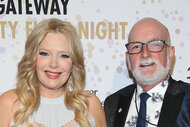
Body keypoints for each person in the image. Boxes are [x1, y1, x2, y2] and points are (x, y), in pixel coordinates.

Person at [0, 18, 106, 127]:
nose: (54, 64)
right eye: (45, 53)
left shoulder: (90, 105)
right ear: (32, 57)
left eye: (63, 55)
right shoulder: (8, 103)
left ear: (73, 61)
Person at [104, 17, 190, 127]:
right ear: (128, 59)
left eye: (154, 44)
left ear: (170, 53)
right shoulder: (113, 103)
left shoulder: (187, 99)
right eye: (136, 46)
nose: (145, 53)